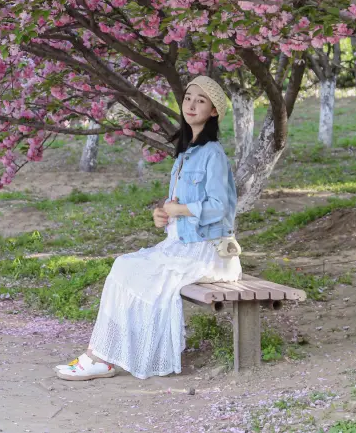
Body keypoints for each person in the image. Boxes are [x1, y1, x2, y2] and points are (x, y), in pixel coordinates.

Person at [55, 76, 242, 381]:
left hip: (209, 252)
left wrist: (179, 210)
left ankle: (103, 358)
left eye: (201, 101)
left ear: (214, 113)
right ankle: (101, 355)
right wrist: (164, 216)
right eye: (189, 98)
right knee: (124, 266)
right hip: (181, 245)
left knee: (137, 273)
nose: (191, 105)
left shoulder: (214, 155)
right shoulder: (185, 153)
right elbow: (177, 205)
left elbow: (220, 207)